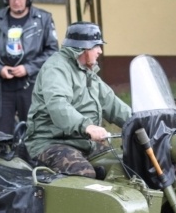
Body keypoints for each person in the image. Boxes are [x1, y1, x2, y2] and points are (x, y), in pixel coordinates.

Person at [26, 22, 131, 178]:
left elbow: (113, 104)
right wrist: (87, 127)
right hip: (50, 142)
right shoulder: (57, 68)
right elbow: (58, 106)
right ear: (84, 47)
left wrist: (140, 122)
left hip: (82, 142)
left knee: (122, 167)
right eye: (97, 46)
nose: (100, 51)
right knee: (84, 174)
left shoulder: (87, 72)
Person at [0, 0, 58, 136]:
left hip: (31, 86)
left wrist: (28, 68)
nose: (16, 1)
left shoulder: (43, 19)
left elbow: (52, 51)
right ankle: (1, 162)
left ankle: (31, 162)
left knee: (33, 133)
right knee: (0, 135)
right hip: (3, 87)